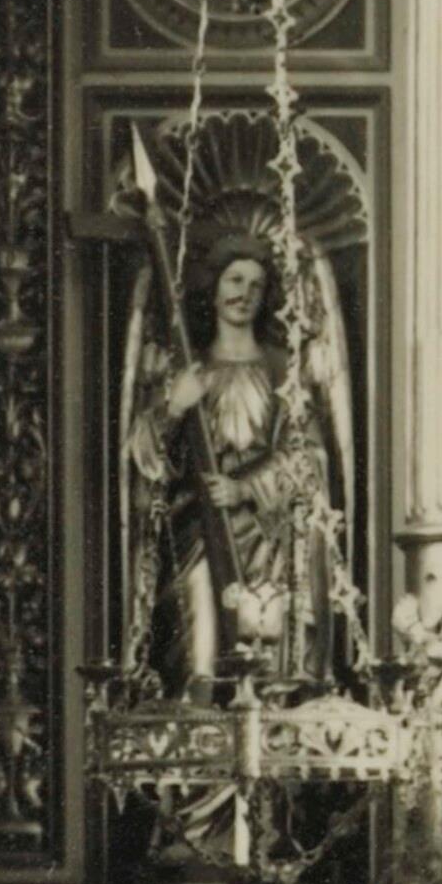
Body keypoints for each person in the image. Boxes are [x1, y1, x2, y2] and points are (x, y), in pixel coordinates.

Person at [120, 230, 357, 693]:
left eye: (255, 285)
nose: (243, 293)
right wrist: (174, 407)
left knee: (267, 660)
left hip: (266, 537)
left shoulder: (283, 372)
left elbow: (309, 456)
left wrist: (245, 487)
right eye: (234, 280)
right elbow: (144, 456)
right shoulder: (187, 372)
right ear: (214, 289)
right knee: (198, 655)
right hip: (199, 528)